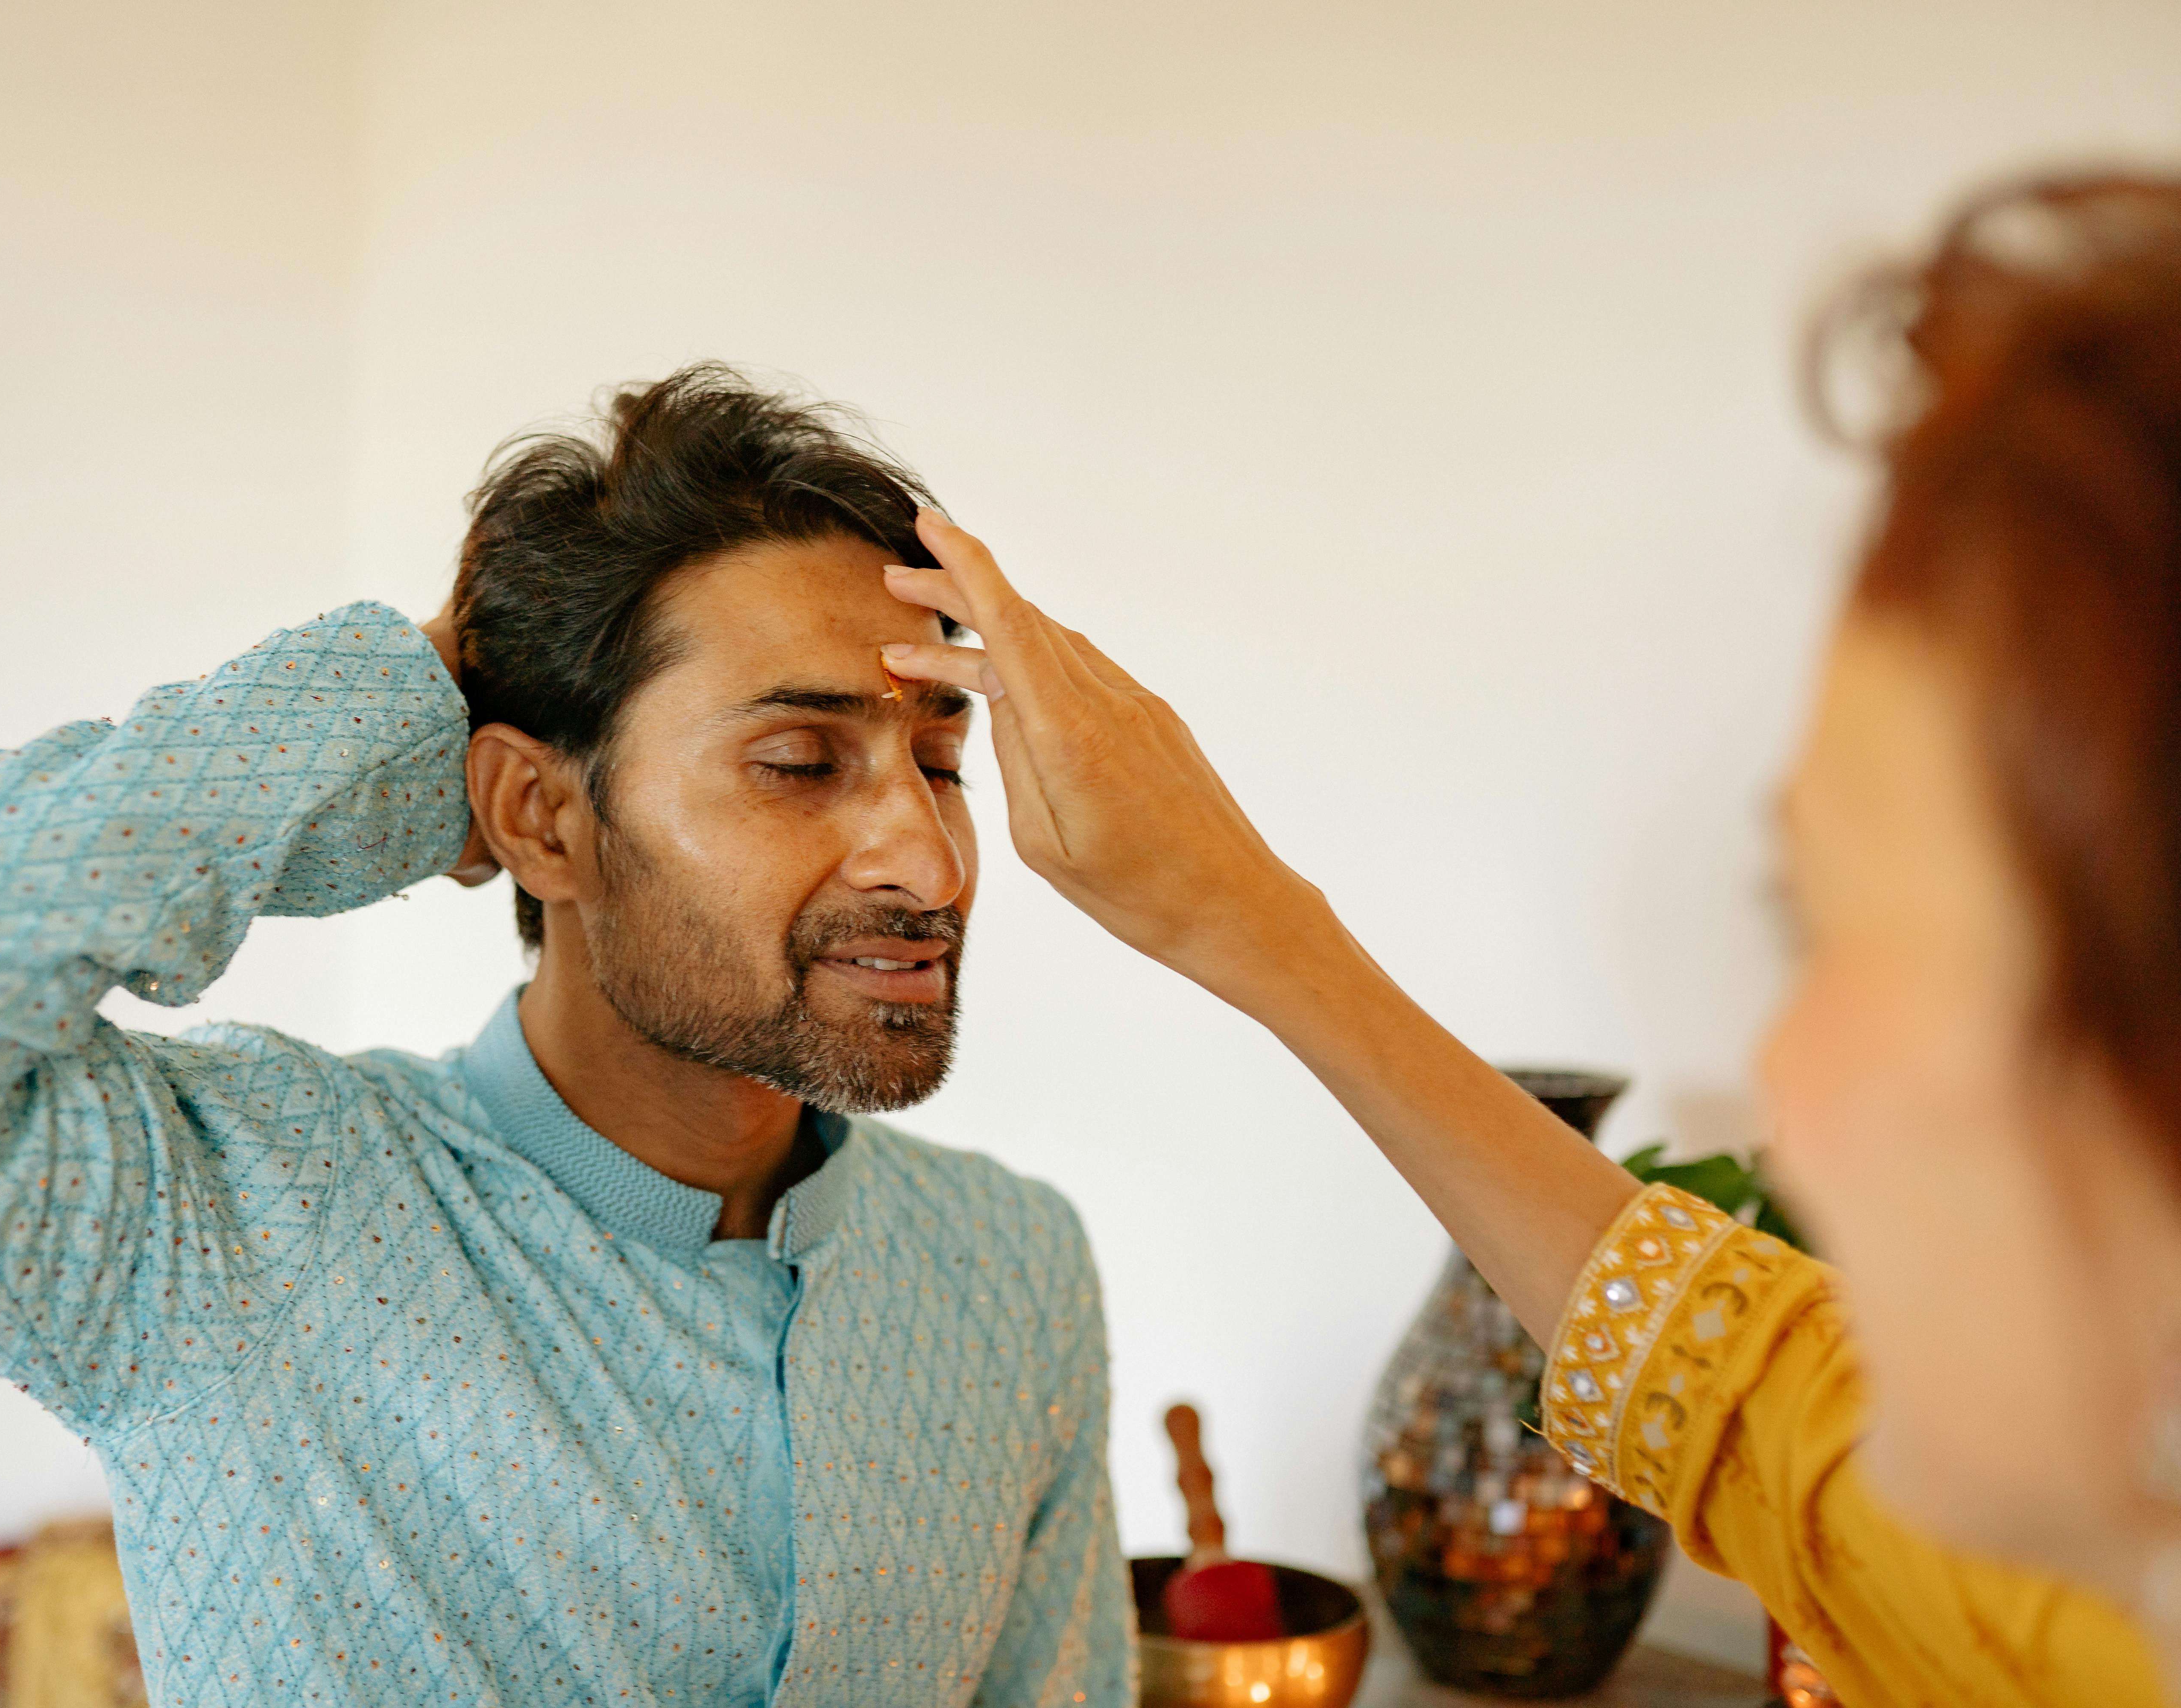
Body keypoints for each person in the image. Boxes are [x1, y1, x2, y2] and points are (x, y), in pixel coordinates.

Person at [0, 366, 1127, 1708]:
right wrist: (401, 702)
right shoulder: (222, 1221)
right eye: (799, 764)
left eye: (939, 766)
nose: (928, 866)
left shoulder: (1012, 1269)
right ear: (542, 815)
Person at [878, 173, 2181, 1706]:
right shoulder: (2081, 1598)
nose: (1784, 1093)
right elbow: (1736, 1388)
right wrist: (1245, 919)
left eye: (1871, 939)